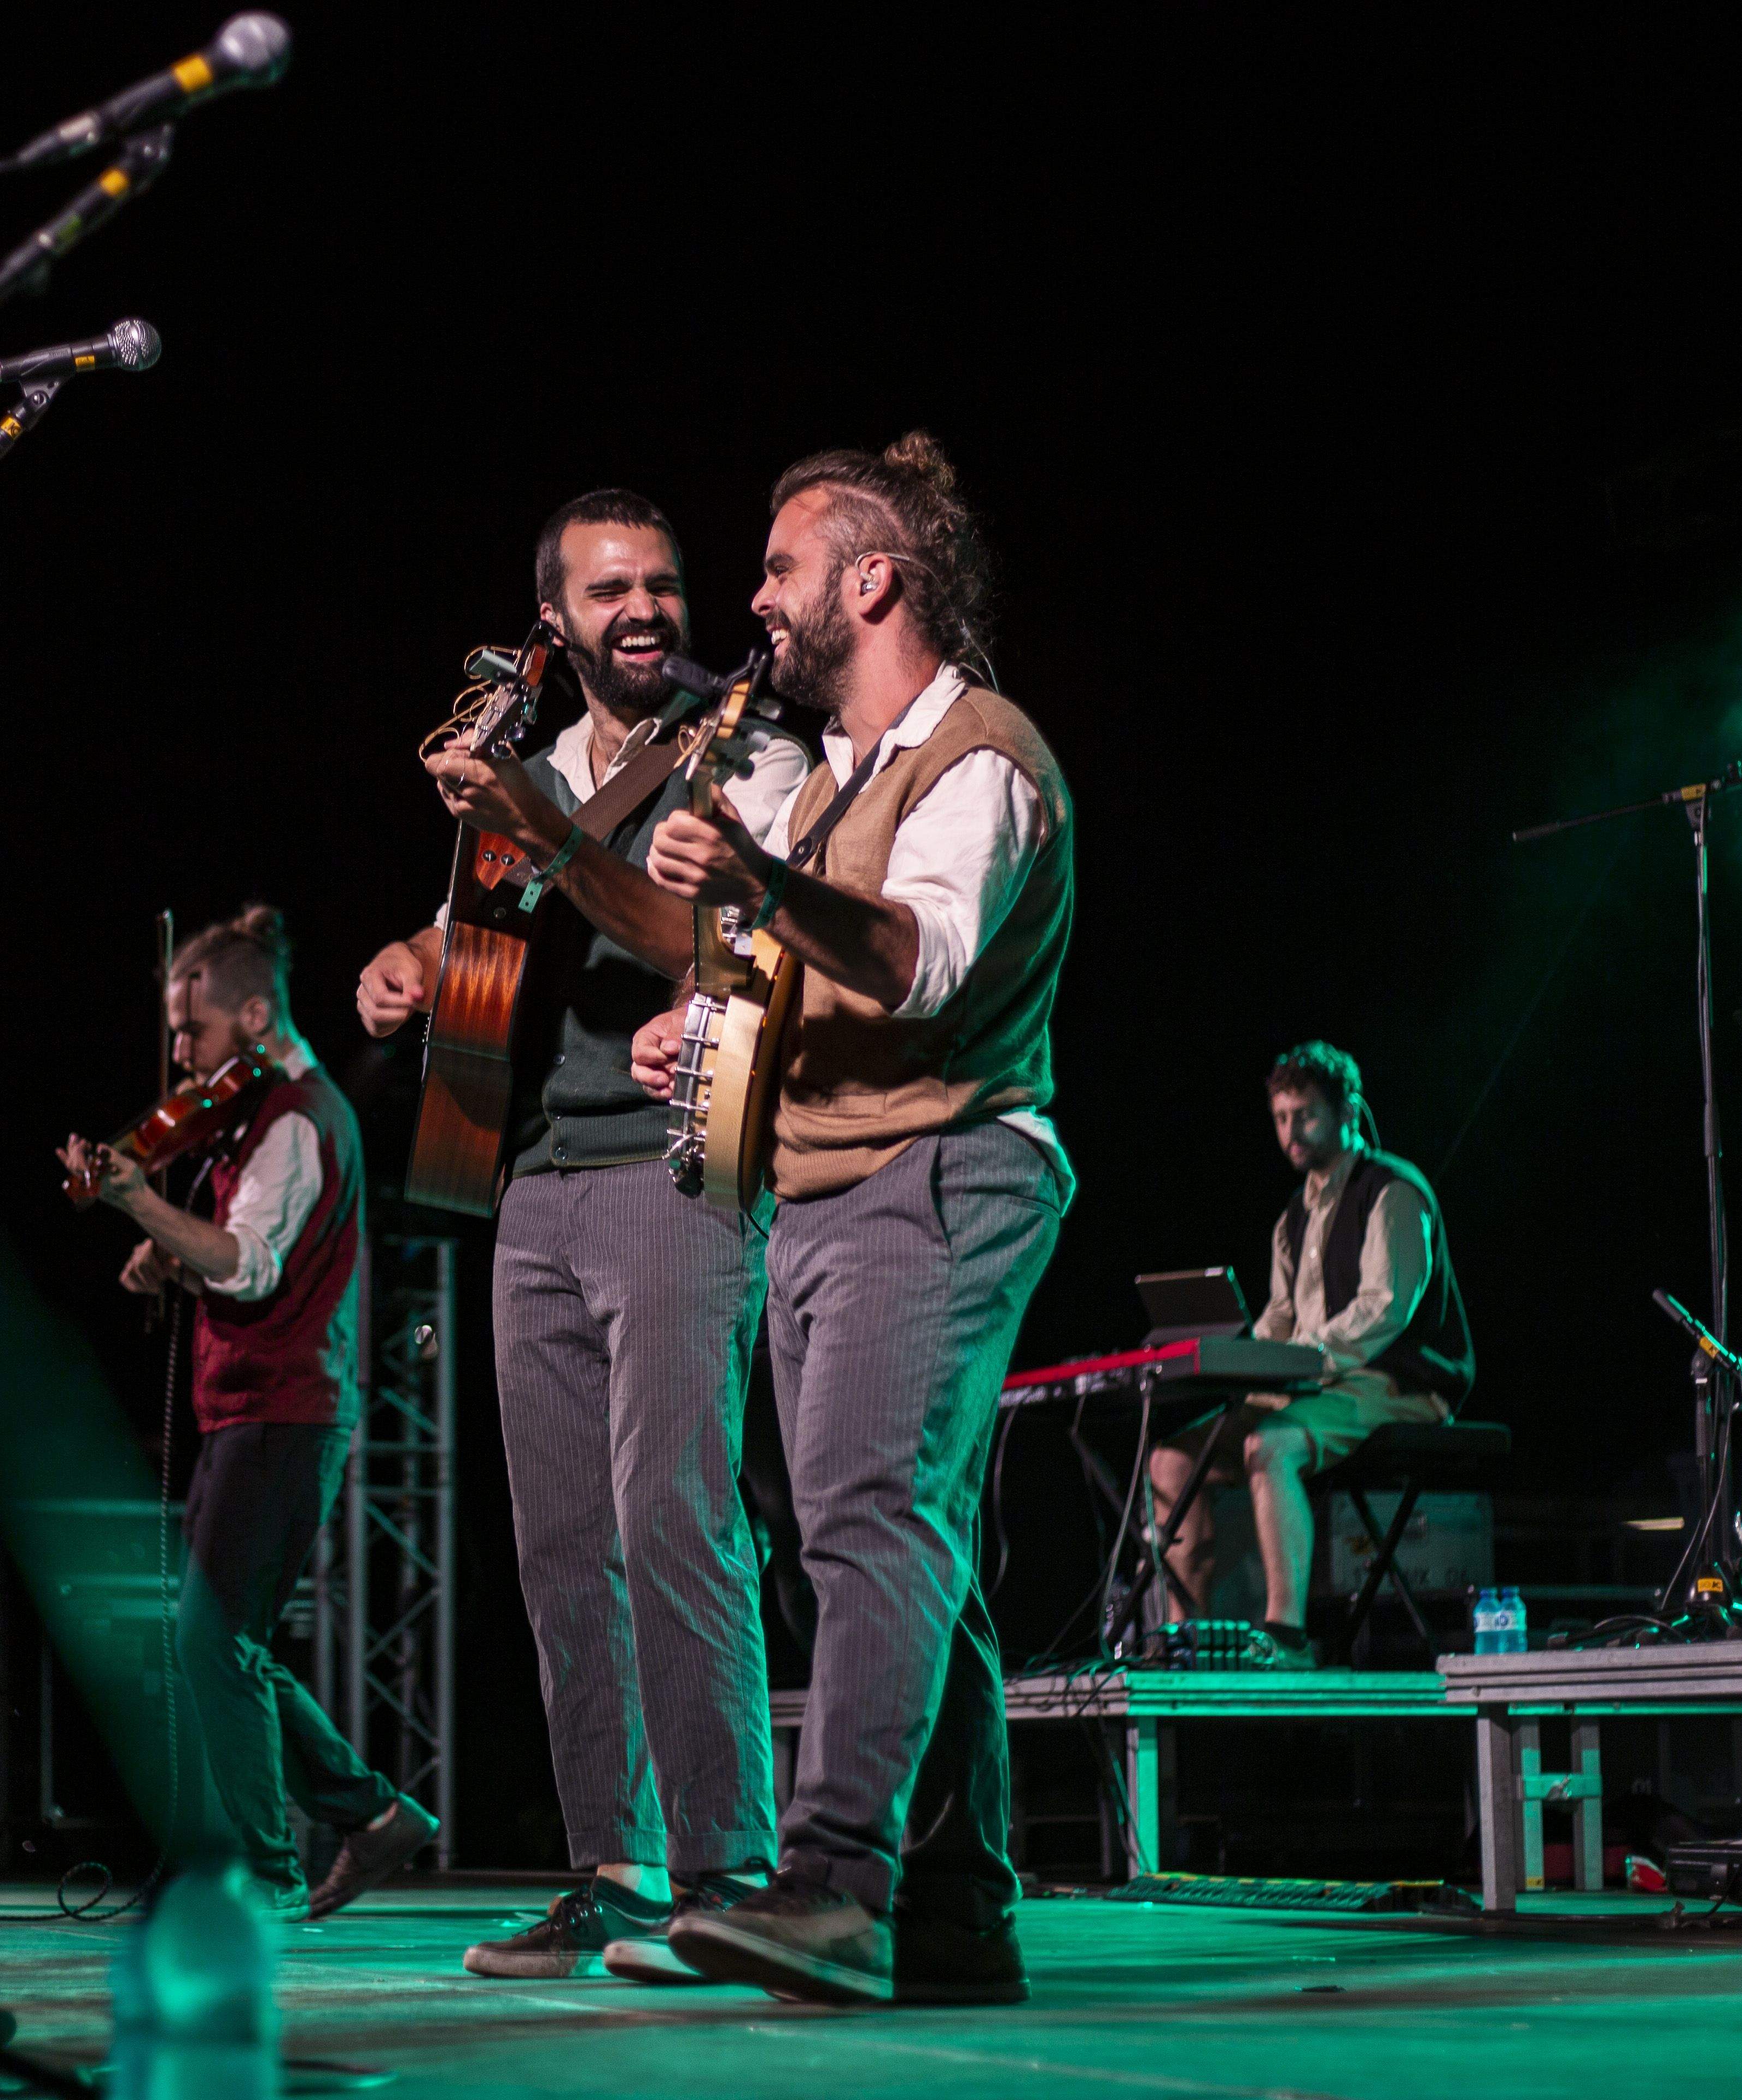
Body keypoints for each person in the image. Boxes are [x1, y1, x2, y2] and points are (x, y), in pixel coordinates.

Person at [632, 433, 1071, 2005]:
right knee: (895, 1544)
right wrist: (701, 1022)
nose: (755, 601)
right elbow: (805, 970)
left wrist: (754, 881)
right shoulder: (840, 781)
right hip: (829, 1190)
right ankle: (955, 1914)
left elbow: (920, 965)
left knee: (874, 1522)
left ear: (869, 581)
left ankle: (832, 1888)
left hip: (945, 1173)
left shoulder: (987, 762)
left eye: (779, 568)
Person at [356, 491, 811, 1980]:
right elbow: (503, 937)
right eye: (610, 588)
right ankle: (614, 1872)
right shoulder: (533, 760)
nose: (646, 609)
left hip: (677, 1166)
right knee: (560, 1545)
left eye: (665, 584)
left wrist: (542, 829)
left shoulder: (746, 747)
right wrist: (412, 963)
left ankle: (729, 1867)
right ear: (553, 618)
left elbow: (709, 939)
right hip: (531, 1177)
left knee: (674, 1517)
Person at [60, 905, 437, 1919]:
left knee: (209, 1639)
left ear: (257, 1015)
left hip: (286, 1406)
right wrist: (171, 1250)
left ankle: (264, 1873)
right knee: (229, 1643)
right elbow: (224, 1253)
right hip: (251, 1407)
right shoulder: (250, 1118)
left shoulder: (300, 1119)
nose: (179, 1055)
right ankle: (370, 1817)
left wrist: (144, 1207)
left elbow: (254, 1264)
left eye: (195, 1033)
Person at [1143, 1041, 1476, 1664]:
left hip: (1399, 1384)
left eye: (1304, 1115)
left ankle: (1286, 1635)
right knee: (1170, 1462)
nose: (1291, 1132)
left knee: (1272, 1442)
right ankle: (1184, 1638)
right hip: (1320, 1385)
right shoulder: (1293, 1217)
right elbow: (1279, 1320)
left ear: (1348, 1110)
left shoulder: (1394, 1191)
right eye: (1280, 1118)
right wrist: (1219, 1357)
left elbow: (1386, 1309)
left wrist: (1302, 1363)